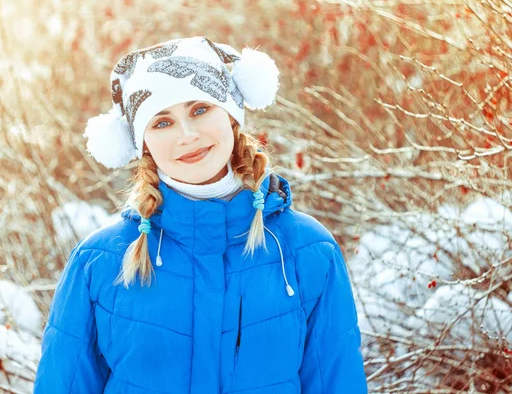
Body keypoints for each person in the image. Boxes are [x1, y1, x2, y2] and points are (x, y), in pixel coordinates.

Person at [34, 35, 367, 393]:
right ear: (142, 142)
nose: (187, 135)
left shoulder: (308, 252)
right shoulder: (98, 262)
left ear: (232, 115)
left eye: (199, 109)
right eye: (162, 123)